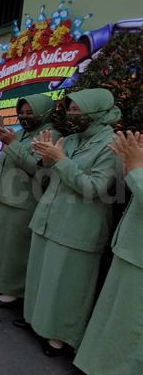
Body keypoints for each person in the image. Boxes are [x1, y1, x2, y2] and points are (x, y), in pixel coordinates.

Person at [24, 89, 121, 356]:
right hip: (50, 216)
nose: (72, 115)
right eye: (71, 110)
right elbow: (47, 175)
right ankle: (36, 320)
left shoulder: (110, 145)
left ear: (98, 112)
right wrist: (45, 160)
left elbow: (94, 188)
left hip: (78, 225)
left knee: (67, 282)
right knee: (41, 275)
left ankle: (60, 335)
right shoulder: (69, 140)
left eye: (79, 111)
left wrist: (59, 160)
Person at [0, 95, 60, 307]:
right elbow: (5, 163)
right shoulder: (20, 134)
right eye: (21, 112)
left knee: (16, 248)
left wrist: (12, 144)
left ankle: (12, 290)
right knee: (1, 244)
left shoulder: (50, 136)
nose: (23, 117)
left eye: (29, 113)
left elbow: (38, 169)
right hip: (6, 196)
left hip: (25, 200)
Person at [74, 130, 143, 374]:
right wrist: (130, 166)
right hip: (129, 248)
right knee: (115, 319)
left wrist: (136, 169)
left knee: (132, 325)